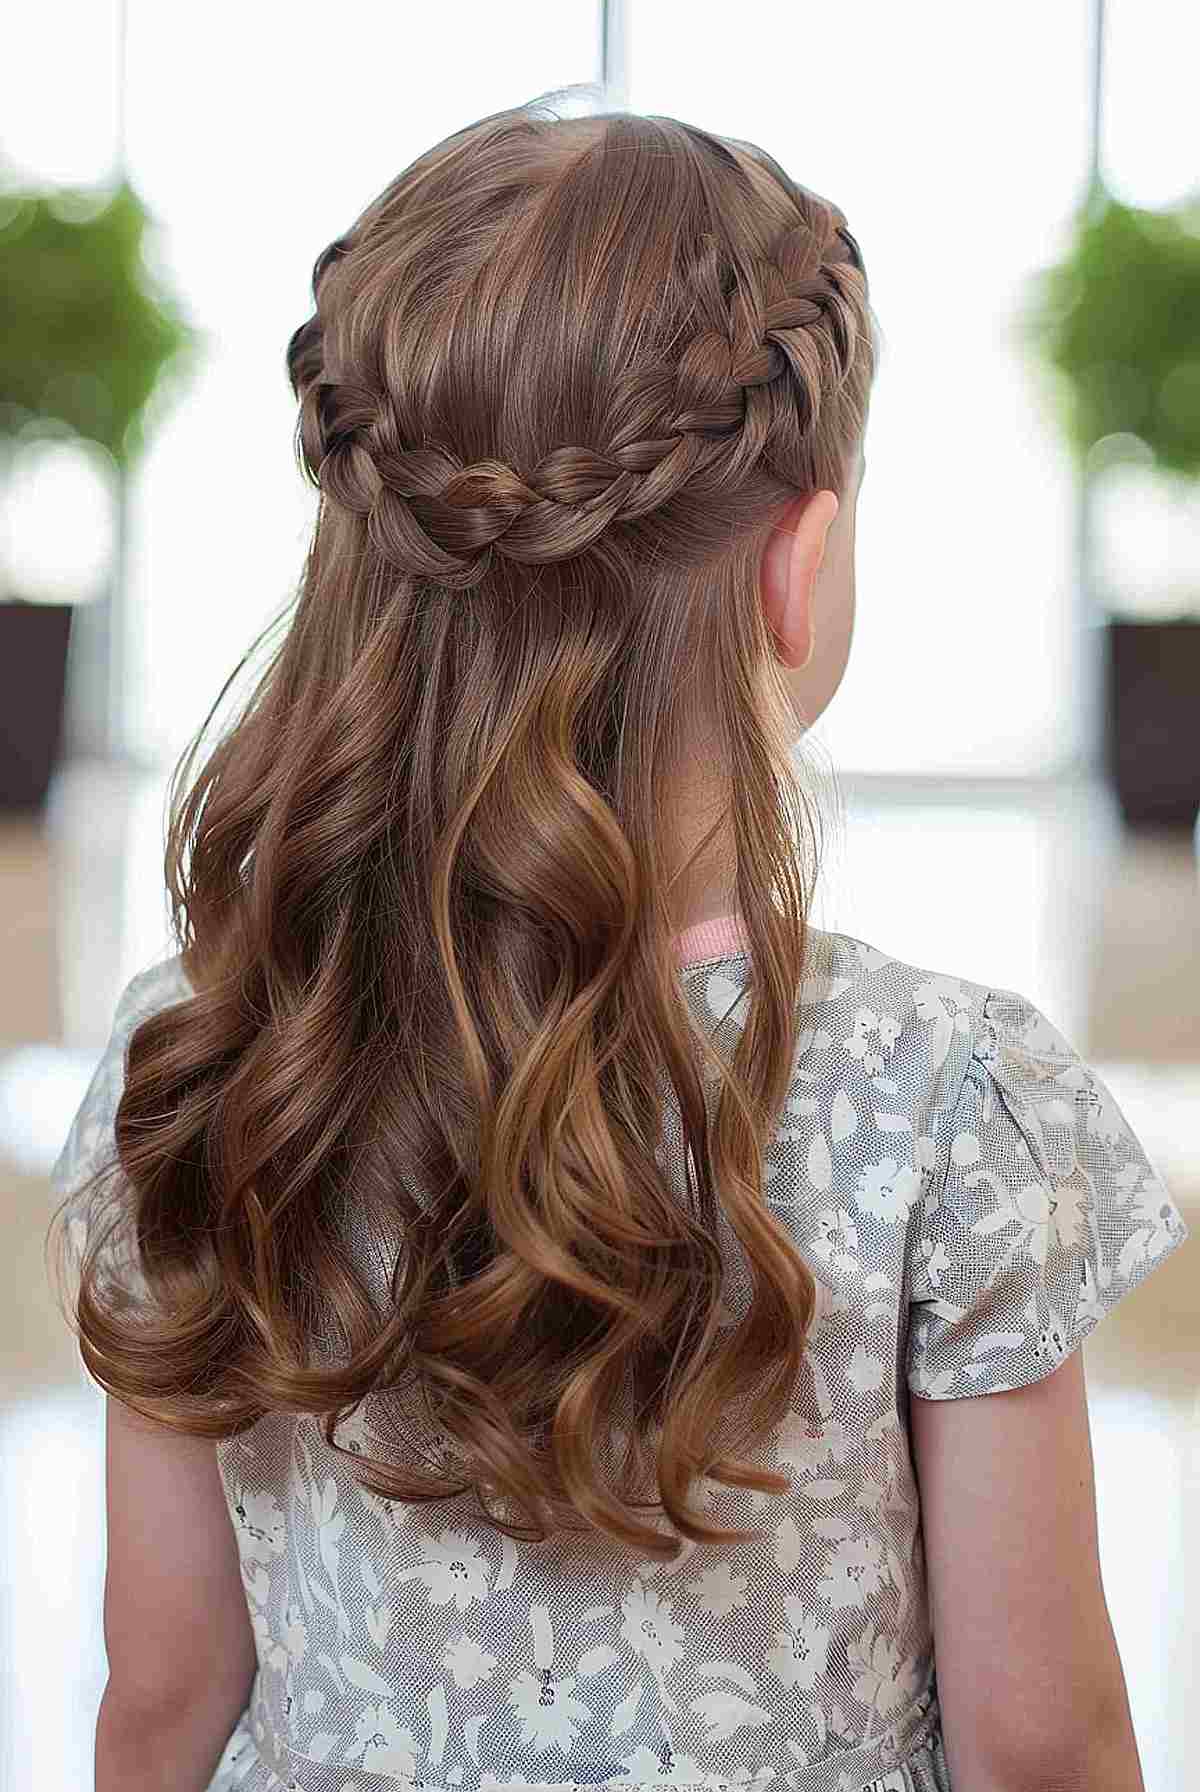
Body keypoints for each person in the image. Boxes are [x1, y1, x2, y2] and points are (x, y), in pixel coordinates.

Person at [48, 94, 1189, 1792]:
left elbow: (163, 1696)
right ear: (795, 571)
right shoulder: (945, 1100)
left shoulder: (209, 1064)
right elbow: (1044, 1743)